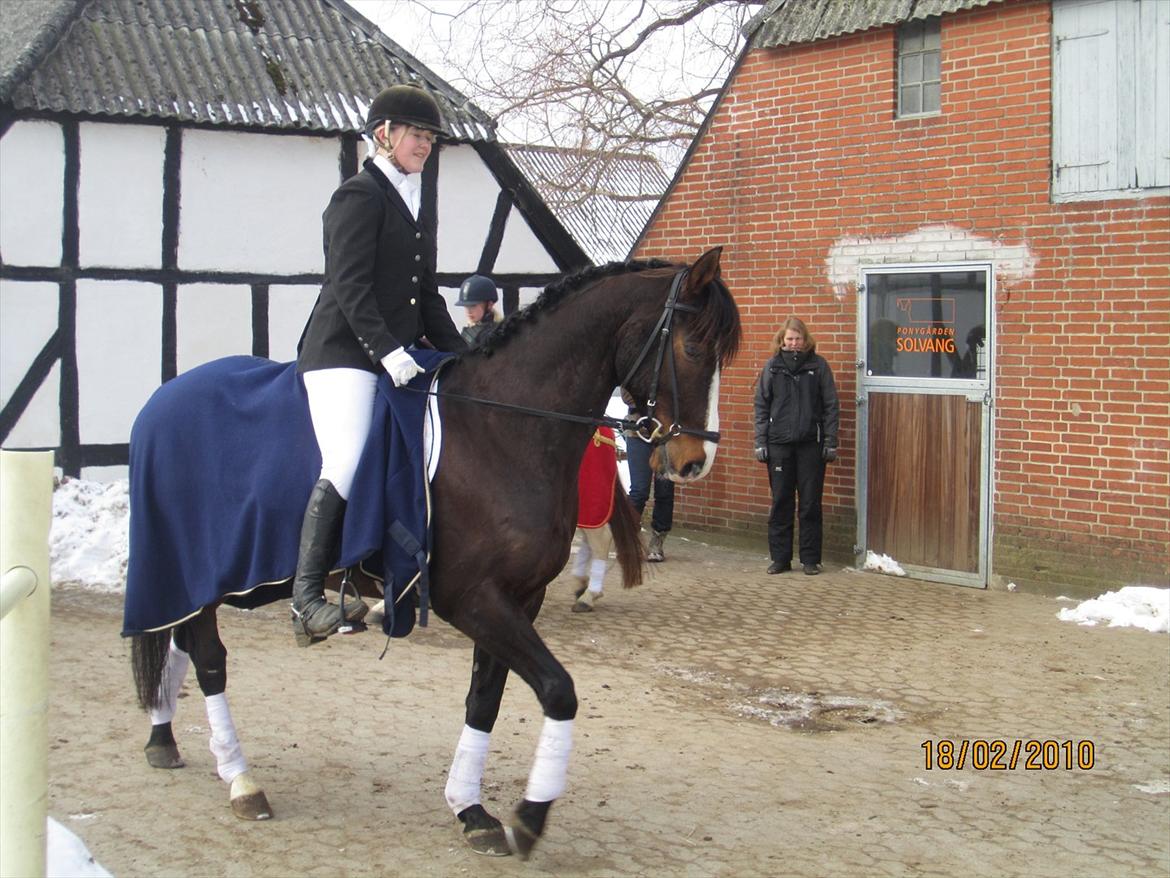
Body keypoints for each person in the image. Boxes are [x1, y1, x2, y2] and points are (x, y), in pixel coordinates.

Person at [291, 84, 468, 646]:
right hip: (343, 352)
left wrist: (469, 359)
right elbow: (348, 285)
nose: (426, 144)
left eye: (431, 137)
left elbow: (425, 294)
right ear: (383, 134)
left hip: (394, 354)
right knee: (345, 457)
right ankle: (306, 598)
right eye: (418, 134)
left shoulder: (414, 201)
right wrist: (386, 350)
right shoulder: (358, 195)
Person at [753, 317, 839, 576]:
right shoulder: (772, 367)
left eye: (798, 339)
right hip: (778, 444)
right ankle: (780, 559)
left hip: (810, 446)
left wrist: (830, 442)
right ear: (782, 340)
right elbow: (761, 406)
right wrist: (760, 442)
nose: (793, 344)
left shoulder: (818, 366)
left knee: (810, 503)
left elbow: (831, 406)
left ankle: (810, 560)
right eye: (789, 339)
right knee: (781, 502)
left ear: (806, 340)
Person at [571, 427, 619, 613]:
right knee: (585, 528)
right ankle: (579, 575)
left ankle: (594, 587)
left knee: (590, 515)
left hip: (591, 437)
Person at [626, 427, 674, 563]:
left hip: (666, 438)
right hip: (638, 433)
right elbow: (628, 403)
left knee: (664, 491)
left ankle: (657, 541)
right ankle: (629, 539)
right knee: (639, 491)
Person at [454, 274, 501, 346]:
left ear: (489, 305)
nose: (469, 312)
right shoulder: (469, 330)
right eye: (466, 306)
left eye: (473, 306)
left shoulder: (496, 333)